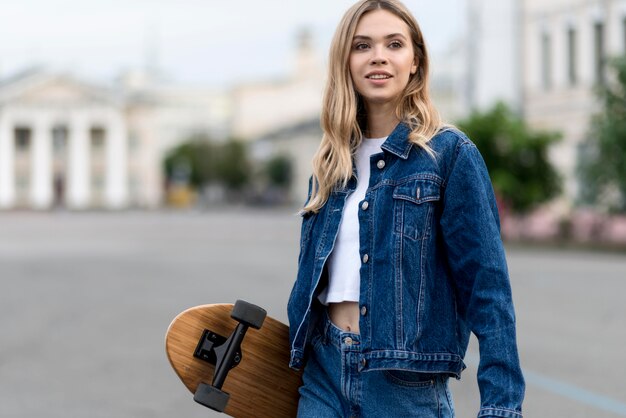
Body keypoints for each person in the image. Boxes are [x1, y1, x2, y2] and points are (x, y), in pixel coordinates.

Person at [287, 1, 525, 417]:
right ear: (346, 60)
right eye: (362, 45)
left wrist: (501, 407)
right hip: (323, 374)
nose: (378, 55)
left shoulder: (449, 154)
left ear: (415, 61)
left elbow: (487, 290)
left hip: (404, 384)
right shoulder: (328, 165)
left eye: (393, 44)